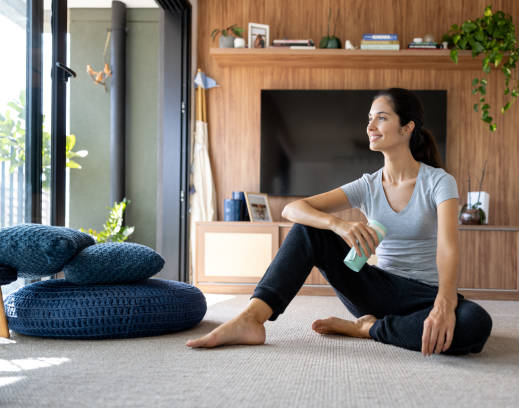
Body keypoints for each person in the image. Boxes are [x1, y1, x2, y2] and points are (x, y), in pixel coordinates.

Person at [186, 88, 493, 356]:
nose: (370, 126)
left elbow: (448, 248)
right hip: (376, 289)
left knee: (475, 323)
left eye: (381, 118)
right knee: (310, 229)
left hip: (423, 296)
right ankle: (251, 319)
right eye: (369, 119)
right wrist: (338, 225)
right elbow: (293, 209)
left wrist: (444, 303)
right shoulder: (368, 185)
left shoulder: (439, 182)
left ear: (407, 127)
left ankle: (367, 330)